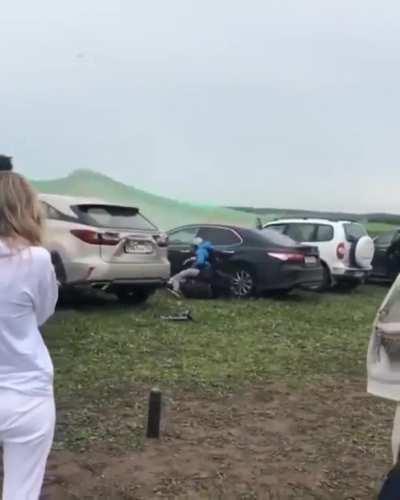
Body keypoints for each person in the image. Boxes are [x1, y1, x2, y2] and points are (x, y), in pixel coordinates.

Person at [0, 172, 58, 500]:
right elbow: (43, 314)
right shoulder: (37, 259)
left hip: (25, 391)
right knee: (21, 492)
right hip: (27, 394)